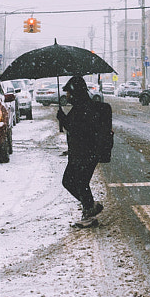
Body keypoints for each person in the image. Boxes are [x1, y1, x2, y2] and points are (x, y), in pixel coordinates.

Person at [56, 75, 113, 227]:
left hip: (85, 153)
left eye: (68, 92)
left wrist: (64, 119)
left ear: (75, 92)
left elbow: (80, 130)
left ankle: (88, 213)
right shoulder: (80, 107)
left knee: (79, 182)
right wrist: (64, 119)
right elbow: (76, 128)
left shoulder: (84, 108)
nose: (66, 96)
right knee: (72, 181)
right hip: (79, 153)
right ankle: (90, 207)